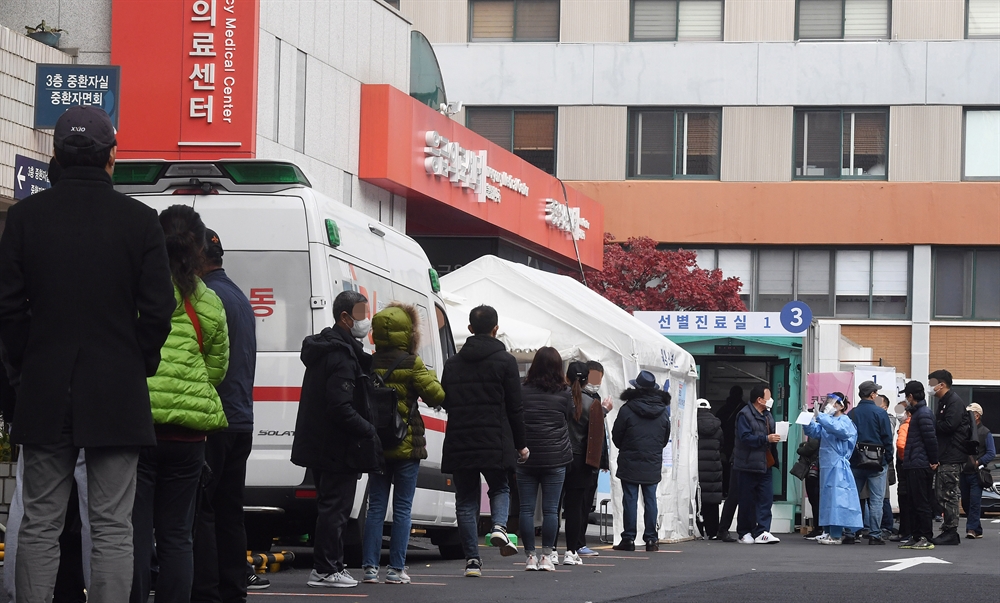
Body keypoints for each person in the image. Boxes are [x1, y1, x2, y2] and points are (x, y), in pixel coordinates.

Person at [0, 105, 176, 603]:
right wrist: (134, 361)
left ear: (55, 154)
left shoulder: (25, 218)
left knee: (39, 521)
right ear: (111, 157)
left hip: (45, 386)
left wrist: (26, 366)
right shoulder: (141, 223)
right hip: (116, 391)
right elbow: (158, 311)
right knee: (113, 525)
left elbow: (8, 308)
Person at [130, 205, 231, 603]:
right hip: (189, 436)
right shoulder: (209, 302)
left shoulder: (137, 290)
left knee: (135, 530)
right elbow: (217, 369)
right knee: (177, 535)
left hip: (140, 425)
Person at [291, 291, 383, 588]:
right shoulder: (341, 356)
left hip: (320, 442)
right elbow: (340, 406)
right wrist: (367, 428)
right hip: (336, 445)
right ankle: (326, 568)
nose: (365, 321)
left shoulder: (326, 349)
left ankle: (329, 566)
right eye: (361, 314)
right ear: (345, 317)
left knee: (332, 506)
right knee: (336, 508)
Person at [192, 229, 262, 601]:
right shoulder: (237, 295)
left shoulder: (208, 297)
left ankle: (204, 590)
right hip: (240, 418)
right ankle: (232, 587)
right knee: (230, 510)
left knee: (202, 508)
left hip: (213, 419)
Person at [440, 305, 528, 578]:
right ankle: (499, 527)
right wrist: (521, 443)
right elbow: (515, 406)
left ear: (469, 329)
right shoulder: (505, 361)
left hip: (460, 438)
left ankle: (472, 562)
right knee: (500, 487)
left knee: (465, 500)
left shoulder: (453, 363)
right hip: (495, 438)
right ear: (496, 328)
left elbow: (446, 400)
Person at [361, 304, 445, 585]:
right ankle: (396, 569)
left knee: (375, 508)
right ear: (408, 333)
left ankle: (370, 568)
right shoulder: (412, 363)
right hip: (406, 443)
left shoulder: (370, 362)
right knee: (402, 509)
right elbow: (436, 395)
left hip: (377, 443)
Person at [516, 347, 573, 572]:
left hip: (526, 456)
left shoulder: (522, 390)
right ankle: (547, 556)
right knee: (551, 511)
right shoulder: (565, 393)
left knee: (526, 510)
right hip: (556, 457)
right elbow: (569, 417)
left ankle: (530, 556)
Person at [612, 370, 671, 552]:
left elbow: (616, 436)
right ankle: (651, 539)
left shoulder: (627, 409)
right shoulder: (662, 412)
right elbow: (664, 438)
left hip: (630, 459)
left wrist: (628, 447)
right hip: (652, 460)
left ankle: (628, 538)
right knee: (650, 499)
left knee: (630, 499)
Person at [803, 394, 864, 545]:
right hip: (826, 465)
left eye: (833, 403)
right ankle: (828, 531)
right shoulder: (828, 421)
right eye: (828, 402)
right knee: (827, 499)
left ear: (841, 406)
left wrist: (821, 417)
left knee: (837, 499)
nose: (829, 405)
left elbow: (840, 430)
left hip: (838, 465)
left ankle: (836, 534)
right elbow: (814, 432)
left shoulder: (845, 421)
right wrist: (807, 419)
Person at [562, 362, 605, 564]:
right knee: (575, 508)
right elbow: (596, 438)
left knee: (552, 506)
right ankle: (572, 550)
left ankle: (550, 550)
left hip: (558, 456)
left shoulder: (558, 398)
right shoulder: (592, 404)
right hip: (581, 460)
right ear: (587, 379)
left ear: (566, 378)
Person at [846, 381, 893, 545]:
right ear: (872, 394)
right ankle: (874, 534)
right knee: (876, 501)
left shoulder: (851, 414)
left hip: (856, 461)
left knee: (853, 498)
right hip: (877, 461)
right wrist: (888, 458)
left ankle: (850, 533)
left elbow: (848, 438)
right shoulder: (880, 413)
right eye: (876, 393)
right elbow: (887, 437)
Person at [928, 369, 972, 546]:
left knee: (948, 493)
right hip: (946, 454)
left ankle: (951, 531)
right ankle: (948, 529)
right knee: (942, 493)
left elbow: (949, 426)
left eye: (932, 383)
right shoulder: (946, 402)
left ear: (942, 384)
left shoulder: (953, 402)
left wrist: (932, 423)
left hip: (952, 455)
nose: (931, 388)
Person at [733, 385, 781, 545]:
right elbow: (745, 437)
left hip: (765, 463)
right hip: (747, 463)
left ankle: (762, 531)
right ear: (759, 399)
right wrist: (766, 439)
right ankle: (744, 532)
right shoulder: (744, 415)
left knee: (766, 498)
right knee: (747, 500)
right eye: (768, 396)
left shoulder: (767, 415)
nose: (771, 400)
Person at [897, 381, 938, 551]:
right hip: (914, 463)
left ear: (911, 396)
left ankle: (925, 537)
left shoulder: (923, 414)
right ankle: (915, 536)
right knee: (913, 501)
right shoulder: (918, 413)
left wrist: (934, 460)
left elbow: (931, 439)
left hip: (920, 464)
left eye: (907, 395)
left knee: (921, 502)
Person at [577, 361, 612, 557]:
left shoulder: (595, 398)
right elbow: (590, 428)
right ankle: (577, 543)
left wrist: (603, 460)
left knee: (585, 502)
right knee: (579, 502)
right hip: (582, 458)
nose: (596, 382)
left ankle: (577, 542)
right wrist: (604, 411)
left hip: (592, 459)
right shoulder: (582, 399)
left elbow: (600, 435)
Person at [961, 403, 996, 539]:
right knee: (965, 502)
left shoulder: (985, 432)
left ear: (977, 416)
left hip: (977, 473)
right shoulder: (965, 431)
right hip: (964, 471)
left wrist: (978, 462)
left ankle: (971, 529)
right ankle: (977, 528)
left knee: (975, 502)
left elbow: (991, 453)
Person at [695, 399, 724, 540]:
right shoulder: (717, 425)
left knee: (696, 500)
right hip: (713, 467)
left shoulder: (691, 424)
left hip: (696, 466)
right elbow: (722, 444)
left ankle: (698, 531)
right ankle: (713, 531)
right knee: (712, 500)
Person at [716, 386, 744, 498]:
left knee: (725, 467)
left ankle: (725, 490)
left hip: (725, 443)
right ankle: (736, 491)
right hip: (739, 443)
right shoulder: (745, 410)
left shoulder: (723, 409)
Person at [876, 394, 898, 538]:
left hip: (882, 459)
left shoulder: (889, 418)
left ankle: (886, 525)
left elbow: (887, 436)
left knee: (882, 495)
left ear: (885, 406)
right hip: (873, 459)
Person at [890, 403, 912, 542]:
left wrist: (903, 458)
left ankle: (905, 532)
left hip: (904, 465)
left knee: (904, 499)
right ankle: (908, 531)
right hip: (912, 465)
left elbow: (901, 445)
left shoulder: (905, 426)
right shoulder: (915, 425)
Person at [797, 435, 822, 539]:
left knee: (814, 499)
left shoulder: (816, 429)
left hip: (814, 468)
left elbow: (811, 446)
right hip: (824, 468)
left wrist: (801, 448)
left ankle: (818, 528)